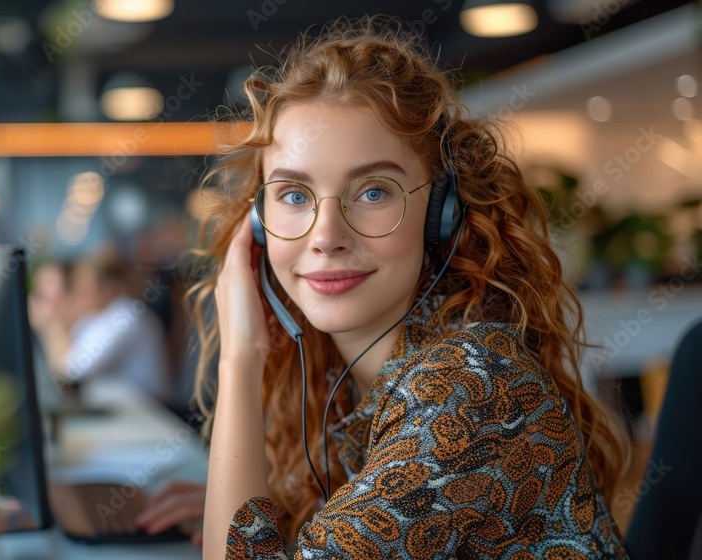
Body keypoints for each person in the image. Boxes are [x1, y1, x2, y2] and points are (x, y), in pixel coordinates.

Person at [188, 17, 632, 559]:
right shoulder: (339, 377)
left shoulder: (469, 388)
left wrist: (240, 355)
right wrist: (244, 506)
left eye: (374, 191)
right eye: (295, 195)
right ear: (259, 224)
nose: (326, 237)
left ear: (440, 214)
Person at [31, 251, 174, 405]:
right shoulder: (96, 318)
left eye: (84, 290)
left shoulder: (126, 315)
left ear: (108, 288)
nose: (78, 298)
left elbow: (72, 371)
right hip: (128, 411)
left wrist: (50, 325)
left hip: (153, 413)